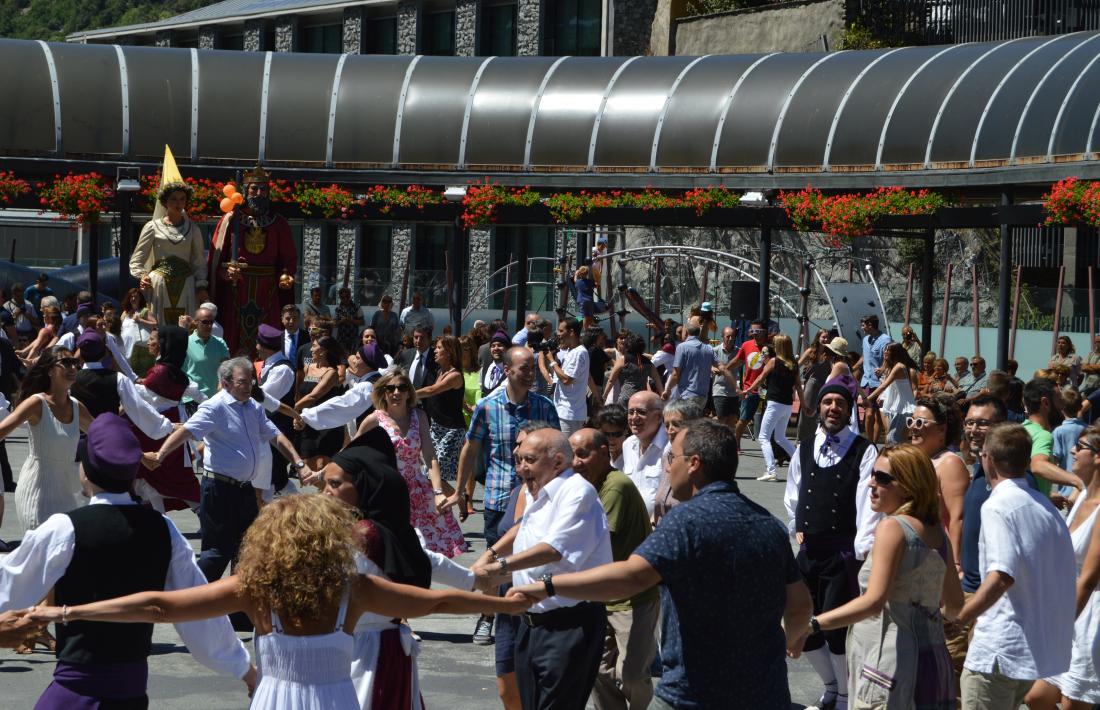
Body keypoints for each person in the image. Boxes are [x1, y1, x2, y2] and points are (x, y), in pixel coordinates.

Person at [28, 493, 529, 709]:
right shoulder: (353, 590)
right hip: (336, 701)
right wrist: (506, 605)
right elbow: (436, 604)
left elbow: (159, 607)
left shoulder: (255, 590)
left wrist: (68, 610)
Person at [509, 419, 813, 709]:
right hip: (765, 691)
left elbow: (631, 577)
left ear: (693, 464)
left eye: (673, 457)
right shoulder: (769, 525)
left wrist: (548, 586)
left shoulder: (685, 521)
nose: (668, 466)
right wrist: (780, 645)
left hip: (693, 694)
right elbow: (800, 607)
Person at [0, 413, 254, 707]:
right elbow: (199, 613)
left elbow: (9, 585)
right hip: (130, 695)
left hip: (75, 692)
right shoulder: (164, 530)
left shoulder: (65, 528)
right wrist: (245, 669)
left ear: (86, 471)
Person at [789, 443, 964, 710]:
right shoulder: (937, 533)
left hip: (890, 660)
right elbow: (954, 604)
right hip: (931, 660)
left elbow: (873, 600)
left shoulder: (893, 527)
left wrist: (812, 624)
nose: (871, 483)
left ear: (909, 484)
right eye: (872, 474)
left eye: (882, 478)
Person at [473, 428, 612, 710]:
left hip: (568, 624)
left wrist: (497, 566)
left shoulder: (577, 492)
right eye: (519, 459)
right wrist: (488, 559)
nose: (521, 467)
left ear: (558, 461)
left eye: (529, 460)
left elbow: (553, 549)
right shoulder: (536, 491)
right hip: (529, 625)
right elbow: (522, 532)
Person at [146, 357, 310, 591]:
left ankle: (239, 608)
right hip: (219, 490)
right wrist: (160, 455)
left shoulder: (253, 406)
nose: (249, 386)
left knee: (247, 550)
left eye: (251, 382)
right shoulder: (214, 407)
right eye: (243, 382)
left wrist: (299, 463)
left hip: (244, 490)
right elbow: (186, 432)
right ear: (225, 383)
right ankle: (189, 598)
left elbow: (276, 436)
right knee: (216, 553)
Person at [954, 424, 1076, 709]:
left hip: (998, 650)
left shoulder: (997, 505)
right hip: (1028, 648)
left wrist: (958, 618)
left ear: (989, 459)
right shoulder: (1044, 507)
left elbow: (1001, 575)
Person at [444, 345, 559, 644]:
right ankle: (488, 615)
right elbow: (471, 448)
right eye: (525, 369)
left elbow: (559, 450)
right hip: (498, 496)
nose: (531, 374)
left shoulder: (545, 406)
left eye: (533, 368)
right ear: (507, 370)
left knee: (532, 560)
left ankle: (526, 617)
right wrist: (459, 491)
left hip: (537, 499)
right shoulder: (488, 405)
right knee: (497, 563)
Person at [784, 377, 881, 710]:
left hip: (842, 553)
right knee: (801, 623)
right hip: (809, 551)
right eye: (827, 402)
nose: (833, 408)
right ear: (820, 407)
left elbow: (868, 502)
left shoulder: (863, 449)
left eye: (840, 403)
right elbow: (793, 490)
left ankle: (844, 694)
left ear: (848, 409)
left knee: (836, 629)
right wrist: (796, 524)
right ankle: (831, 686)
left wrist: (862, 548)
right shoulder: (806, 446)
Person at [567, 428, 657, 710]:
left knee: (631, 673)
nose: (575, 462)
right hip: (600, 597)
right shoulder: (587, 486)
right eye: (572, 455)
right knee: (598, 671)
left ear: (605, 453)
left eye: (583, 454)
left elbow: (598, 540)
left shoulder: (615, 485)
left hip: (632, 598)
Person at [353, 368, 467, 558]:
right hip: (387, 492)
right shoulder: (374, 420)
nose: (396, 392)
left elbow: (430, 456)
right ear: (383, 392)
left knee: (427, 551)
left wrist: (438, 492)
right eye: (390, 388)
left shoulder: (419, 416)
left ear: (408, 392)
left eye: (402, 387)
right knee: (389, 550)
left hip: (417, 491)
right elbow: (352, 453)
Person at [1026, 425, 1100, 709]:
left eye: (1080, 446)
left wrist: (1059, 623)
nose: (1072, 450)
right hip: (1065, 603)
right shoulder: (1080, 496)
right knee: (1036, 696)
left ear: (1098, 458)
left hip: (1088, 613)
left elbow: (1090, 577)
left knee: (1073, 704)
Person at [0, 348, 93, 531]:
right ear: (50, 370)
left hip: (67, 492)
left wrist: (143, 455)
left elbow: (105, 436)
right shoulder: (36, 403)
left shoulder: (76, 406)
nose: (73, 367)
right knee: (42, 551)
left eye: (75, 362)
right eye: (66, 363)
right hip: (37, 490)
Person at [208, 167, 297, 353]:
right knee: (233, 336)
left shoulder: (278, 223)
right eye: (254, 189)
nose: (258, 193)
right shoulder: (230, 220)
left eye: (263, 189)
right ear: (245, 190)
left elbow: (288, 259)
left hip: (268, 291)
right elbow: (216, 258)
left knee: (267, 335)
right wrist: (225, 273)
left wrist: (286, 275)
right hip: (237, 289)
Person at [130, 324, 204, 512]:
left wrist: (124, 383)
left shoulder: (160, 371)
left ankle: (206, 516)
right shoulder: (171, 370)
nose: (150, 342)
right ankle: (160, 520)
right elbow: (197, 393)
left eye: (155, 339)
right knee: (160, 478)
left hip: (157, 428)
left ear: (165, 344)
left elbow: (143, 394)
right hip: (162, 425)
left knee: (166, 476)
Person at [130, 181, 209, 325]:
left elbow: (199, 261)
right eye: (174, 199)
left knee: (185, 327)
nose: (178, 203)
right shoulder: (152, 227)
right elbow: (137, 259)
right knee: (160, 326)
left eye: (182, 199)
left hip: (186, 283)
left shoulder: (193, 229)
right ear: (165, 201)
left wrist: (201, 285)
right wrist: (143, 276)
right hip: (160, 283)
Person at [907, 396, 970, 567]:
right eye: (911, 421)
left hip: (938, 558)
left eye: (920, 422)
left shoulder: (950, 463)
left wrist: (956, 563)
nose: (913, 427)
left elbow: (958, 517)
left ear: (942, 430)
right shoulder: (918, 461)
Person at [743, 333, 803, 482]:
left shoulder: (774, 361)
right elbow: (798, 387)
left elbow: (760, 377)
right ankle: (801, 463)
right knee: (780, 437)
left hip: (774, 403)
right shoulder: (794, 364)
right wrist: (805, 404)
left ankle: (771, 471)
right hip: (787, 405)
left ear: (780, 347)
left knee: (763, 437)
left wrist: (748, 390)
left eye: (775, 344)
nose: (773, 346)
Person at [414, 335, 467, 486]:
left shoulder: (455, 375)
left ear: (449, 352)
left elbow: (432, 390)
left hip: (452, 431)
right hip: (436, 428)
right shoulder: (439, 372)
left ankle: (461, 503)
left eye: (438, 348)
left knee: (435, 475)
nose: (435, 351)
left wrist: (408, 394)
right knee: (430, 471)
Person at [1024, 377, 1086, 496]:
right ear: (1045, 403)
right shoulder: (1043, 435)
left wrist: (1048, 496)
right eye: (1059, 400)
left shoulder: (1020, 430)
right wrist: (1078, 482)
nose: (1063, 406)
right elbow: (1038, 465)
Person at [294, 335, 346, 472]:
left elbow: (313, 396)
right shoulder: (307, 368)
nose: (310, 349)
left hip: (326, 426)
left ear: (323, 351)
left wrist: (294, 408)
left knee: (322, 467)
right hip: (308, 423)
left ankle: (326, 492)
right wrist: (297, 414)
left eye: (314, 346)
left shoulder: (331, 373)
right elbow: (301, 390)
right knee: (306, 466)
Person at [651, 398, 705, 527]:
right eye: (667, 425)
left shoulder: (698, 463)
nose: (670, 430)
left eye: (677, 424)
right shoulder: (667, 457)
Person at [721, 319, 769, 450]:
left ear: (764, 332)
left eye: (757, 331)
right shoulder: (746, 345)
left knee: (770, 419)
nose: (754, 334)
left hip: (767, 390)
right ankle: (736, 445)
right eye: (751, 331)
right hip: (750, 389)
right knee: (744, 419)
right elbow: (737, 360)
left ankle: (773, 447)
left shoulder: (770, 347)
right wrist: (725, 369)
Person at [541, 319, 591, 435]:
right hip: (564, 411)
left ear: (572, 332)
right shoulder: (571, 351)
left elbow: (566, 379)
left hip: (570, 414)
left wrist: (551, 360)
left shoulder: (579, 352)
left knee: (566, 449)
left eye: (561, 330)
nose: (557, 334)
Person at [621, 391, 667, 517]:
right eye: (631, 412)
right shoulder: (628, 445)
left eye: (641, 412)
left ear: (658, 416)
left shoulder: (670, 448)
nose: (634, 418)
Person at [866, 342, 919, 444]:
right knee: (895, 437)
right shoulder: (892, 367)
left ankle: (897, 458)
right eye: (885, 349)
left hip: (903, 409)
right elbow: (888, 386)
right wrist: (881, 395)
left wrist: (868, 398)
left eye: (888, 350)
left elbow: (884, 385)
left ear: (895, 353)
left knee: (892, 438)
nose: (885, 351)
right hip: (893, 406)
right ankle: (898, 458)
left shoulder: (899, 367)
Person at [855, 314, 892, 443]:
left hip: (880, 382)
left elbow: (889, 358)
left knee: (877, 416)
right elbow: (864, 357)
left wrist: (882, 368)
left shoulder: (886, 339)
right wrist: (853, 367)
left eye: (863, 325)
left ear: (870, 325)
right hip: (867, 381)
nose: (862, 328)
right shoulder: (865, 340)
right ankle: (869, 442)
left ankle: (874, 444)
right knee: (869, 414)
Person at [661, 318, 714, 407]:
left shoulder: (682, 347)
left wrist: (668, 389)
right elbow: (720, 366)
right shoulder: (708, 348)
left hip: (687, 394)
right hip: (703, 396)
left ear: (686, 333)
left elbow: (675, 374)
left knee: (684, 420)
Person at [182, 305, 230, 400]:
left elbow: (226, 367)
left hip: (213, 399)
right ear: (196, 322)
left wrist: (222, 383)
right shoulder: (185, 342)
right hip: (191, 399)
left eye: (211, 322)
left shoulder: (220, 342)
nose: (209, 326)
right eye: (205, 322)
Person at [604, 331, 662, 408]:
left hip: (626, 396)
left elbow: (611, 380)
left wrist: (605, 395)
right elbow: (657, 379)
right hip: (641, 398)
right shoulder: (648, 362)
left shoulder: (623, 359)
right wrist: (662, 394)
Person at [797, 329, 833, 440]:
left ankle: (815, 438)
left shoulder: (830, 353)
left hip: (824, 385)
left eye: (827, 337)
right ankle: (801, 439)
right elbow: (797, 365)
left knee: (820, 413)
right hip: (812, 385)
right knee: (806, 411)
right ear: (818, 338)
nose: (825, 339)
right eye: (823, 337)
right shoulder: (810, 351)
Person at [120, 287, 157, 375]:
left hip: (142, 349)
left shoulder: (145, 311)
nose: (133, 299)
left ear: (140, 299)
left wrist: (140, 320)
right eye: (131, 297)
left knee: (144, 375)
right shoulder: (125, 313)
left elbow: (155, 324)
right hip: (128, 349)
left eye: (136, 297)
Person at [399, 325, 437, 392]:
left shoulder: (436, 357)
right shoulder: (406, 355)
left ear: (430, 339)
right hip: (409, 400)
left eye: (422, 337)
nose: (418, 341)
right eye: (416, 337)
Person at [594, 403, 629, 470]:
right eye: (606, 434)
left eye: (617, 434)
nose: (611, 439)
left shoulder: (634, 455)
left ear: (626, 430)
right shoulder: (596, 455)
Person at [334, 286, 364, 355]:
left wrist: (349, 319)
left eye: (347, 296)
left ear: (350, 296)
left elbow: (362, 322)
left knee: (353, 358)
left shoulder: (357, 307)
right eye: (343, 297)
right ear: (340, 298)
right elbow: (335, 324)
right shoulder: (338, 309)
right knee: (342, 359)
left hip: (353, 338)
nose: (345, 299)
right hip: (341, 339)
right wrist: (342, 321)